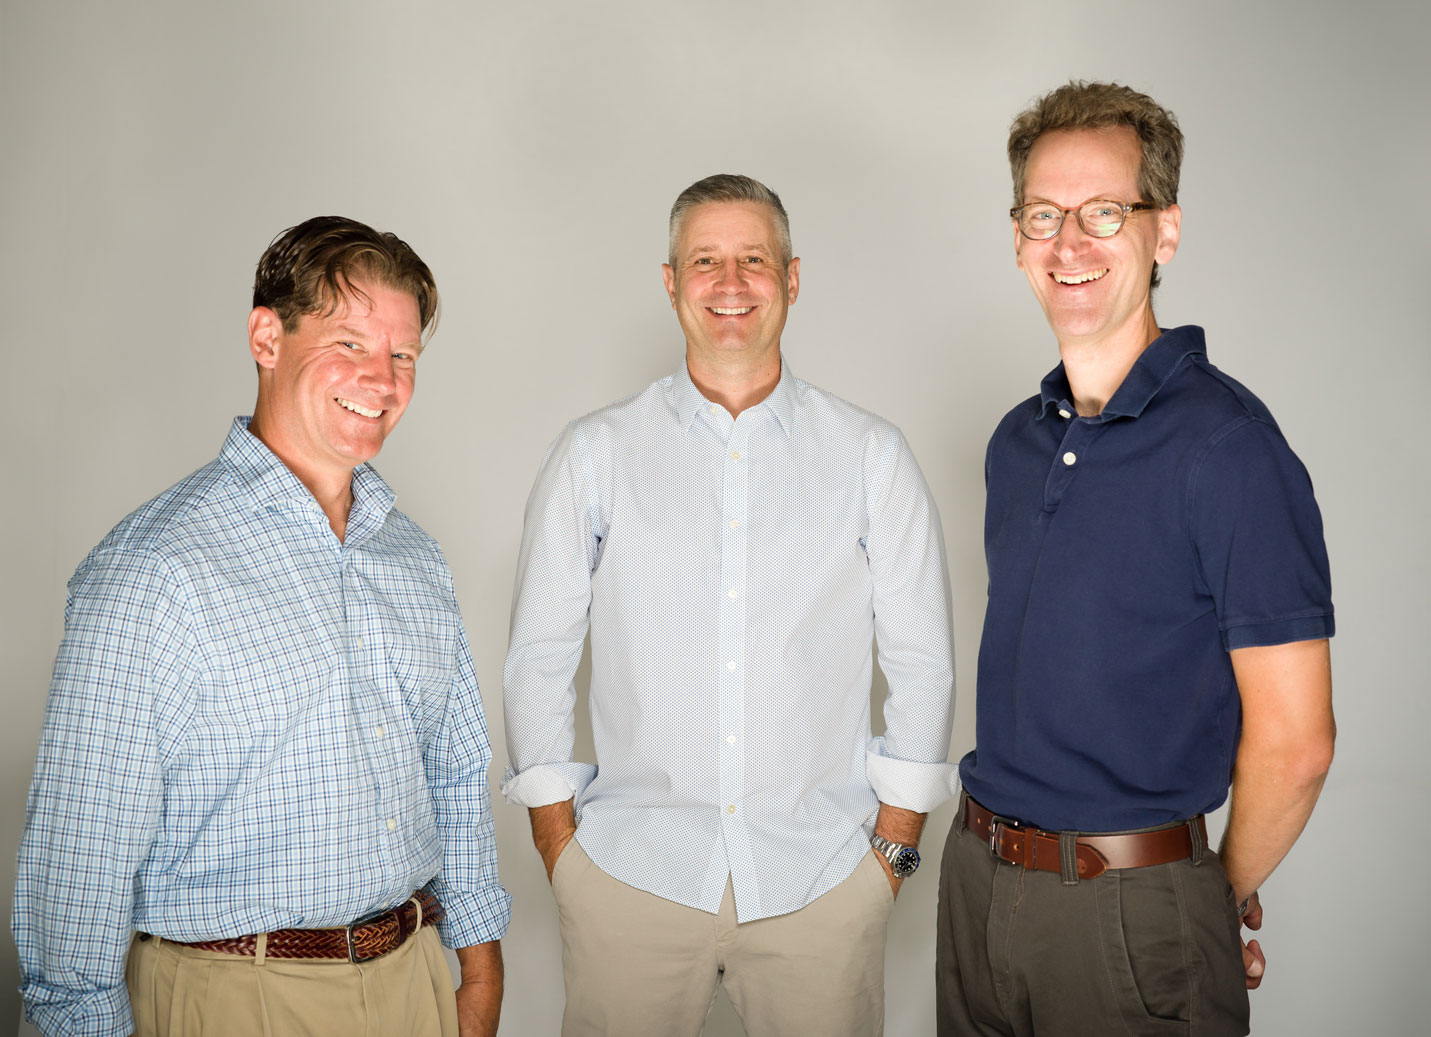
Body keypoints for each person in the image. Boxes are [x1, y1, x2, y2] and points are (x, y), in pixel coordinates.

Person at [13, 216, 511, 1037]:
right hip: (234, 996)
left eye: (404, 356)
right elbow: (81, 854)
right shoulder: (155, 570)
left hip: (415, 981)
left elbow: (455, 772)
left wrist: (480, 967)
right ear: (266, 336)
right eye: (349, 343)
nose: (380, 380)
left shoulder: (413, 556)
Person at [502, 173, 958, 1036]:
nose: (730, 282)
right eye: (704, 261)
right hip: (631, 876)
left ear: (792, 278)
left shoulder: (869, 456)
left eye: (753, 259)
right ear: (671, 283)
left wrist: (888, 855)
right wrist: (562, 851)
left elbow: (921, 661)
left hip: (820, 879)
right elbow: (539, 654)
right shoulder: (596, 453)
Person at [935, 82, 1336, 1036]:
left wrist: (1198, 901)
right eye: (1043, 214)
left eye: (1104, 212)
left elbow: (1297, 741)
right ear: (1018, 234)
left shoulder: (1228, 448)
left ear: (1164, 233)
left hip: (1128, 908)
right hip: (974, 883)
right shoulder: (1014, 442)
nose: (1067, 243)